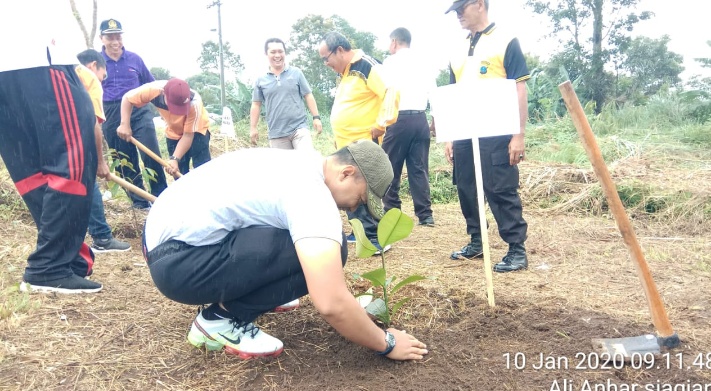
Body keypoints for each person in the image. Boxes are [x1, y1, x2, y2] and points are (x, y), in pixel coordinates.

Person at [142, 140, 428, 361]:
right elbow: (331, 303)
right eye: (360, 198)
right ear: (346, 173)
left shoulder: (302, 162)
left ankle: (258, 292)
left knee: (310, 248)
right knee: (333, 248)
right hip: (179, 262)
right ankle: (220, 320)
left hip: (165, 241)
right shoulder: (312, 194)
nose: (354, 207)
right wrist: (386, 343)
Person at [0, 3, 102, 293]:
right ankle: (50, 266)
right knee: (73, 162)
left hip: (10, 63)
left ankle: (64, 257)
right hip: (38, 56)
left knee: (31, 169)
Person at [435, 0, 530, 272]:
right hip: (465, 131)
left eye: (460, 9)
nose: (457, 16)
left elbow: (519, 89)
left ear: (478, 4)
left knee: (500, 189)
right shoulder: (457, 49)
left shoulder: (506, 41)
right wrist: (451, 136)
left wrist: (518, 135)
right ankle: (477, 240)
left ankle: (516, 249)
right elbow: (452, 95)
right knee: (466, 187)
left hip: (498, 131)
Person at [318, 31, 400, 254]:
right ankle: (359, 232)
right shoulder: (345, 74)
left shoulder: (365, 65)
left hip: (364, 145)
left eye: (327, 58)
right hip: (346, 146)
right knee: (347, 191)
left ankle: (375, 238)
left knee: (363, 191)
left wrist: (381, 123)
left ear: (341, 50)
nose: (326, 63)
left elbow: (390, 90)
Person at [100, 18, 167, 210]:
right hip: (111, 112)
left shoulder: (134, 59)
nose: (115, 41)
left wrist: (166, 114)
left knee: (151, 153)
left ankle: (160, 199)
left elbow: (153, 87)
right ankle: (139, 202)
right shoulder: (97, 62)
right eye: (110, 37)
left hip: (139, 110)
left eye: (118, 36)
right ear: (101, 38)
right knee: (123, 160)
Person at [75, 49, 132, 253]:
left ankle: (73, 240)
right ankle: (102, 237)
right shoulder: (89, 78)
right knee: (89, 185)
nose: (102, 81)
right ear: (93, 66)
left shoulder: (62, 73)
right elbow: (94, 124)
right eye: (103, 75)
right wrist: (100, 162)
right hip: (73, 142)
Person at [381, 27, 436, 227]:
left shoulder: (389, 63)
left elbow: (384, 92)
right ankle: (425, 215)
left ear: (395, 42)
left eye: (390, 43)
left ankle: (393, 213)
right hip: (420, 119)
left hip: (398, 120)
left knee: (390, 167)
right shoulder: (424, 61)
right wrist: (434, 121)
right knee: (419, 168)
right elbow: (434, 92)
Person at [119, 78, 211, 177]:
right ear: (164, 93)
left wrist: (175, 158)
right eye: (175, 106)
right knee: (178, 172)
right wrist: (124, 124)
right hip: (173, 132)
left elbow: (188, 135)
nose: (178, 112)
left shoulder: (194, 103)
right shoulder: (152, 90)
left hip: (196, 131)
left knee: (202, 169)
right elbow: (127, 98)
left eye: (181, 107)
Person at [250, 38, 322, 150]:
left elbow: (308, 95)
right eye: (273, 52)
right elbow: (256, 104)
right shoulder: (261, 80)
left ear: (285, 52)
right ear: (266, 54)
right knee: (284, 167)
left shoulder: (296, 73)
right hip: (276, 134)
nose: (277, 55)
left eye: (280, 51)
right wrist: (253, 127)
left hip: (299, 129)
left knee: (306, 162)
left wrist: (316, 118)